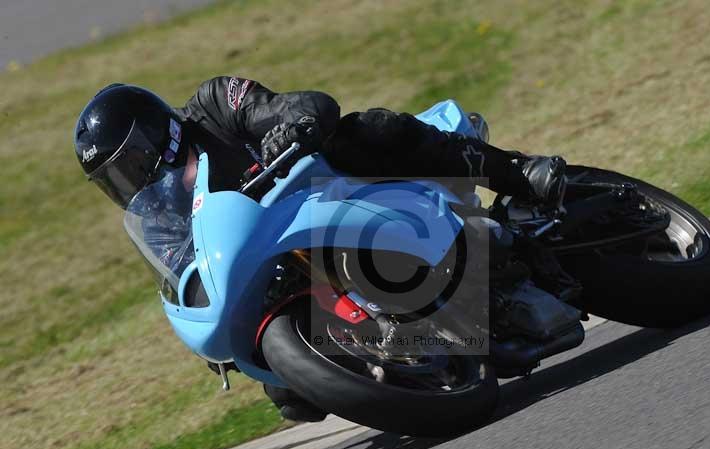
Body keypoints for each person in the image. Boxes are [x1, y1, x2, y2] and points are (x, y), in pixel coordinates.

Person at [73, 78, 567, 422]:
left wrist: (294, 125)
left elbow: (300, 106)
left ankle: (516, 172)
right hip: (280, 264)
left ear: (161, 130)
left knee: (364, 130)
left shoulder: (213, 106)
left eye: (133, 161)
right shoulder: (158, 218)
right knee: (290, 396)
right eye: (114, 178)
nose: (132, 180)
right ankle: (405, 361)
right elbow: (185, 267)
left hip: (340, 193)